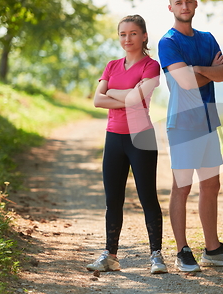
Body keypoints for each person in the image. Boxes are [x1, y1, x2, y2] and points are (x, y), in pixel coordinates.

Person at [158, 0, 223, 273]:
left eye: (189, 2)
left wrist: (198, 70)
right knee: (182, 187)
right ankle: (182, 251)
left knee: (211, 185)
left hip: (209, 122)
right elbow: (185, 83)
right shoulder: (167, 42)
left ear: (196, 5)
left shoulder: (208, 38)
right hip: (183, 124)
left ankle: (212, 249)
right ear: (170, 8)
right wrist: (210, 72)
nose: (185, 6)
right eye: (179, 2)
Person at [87, 15, 167, 274]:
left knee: (147, 197)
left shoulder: (151, 66)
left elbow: (136, 97)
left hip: (140, 136)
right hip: (114, 137)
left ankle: (156, 256)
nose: (127, 39)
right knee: (113, 200)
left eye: (133, 33)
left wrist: (112, 92)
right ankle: (110, 256)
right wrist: (128, 97)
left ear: (144, 36)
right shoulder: (111, 66)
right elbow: (97, 101)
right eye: (123, 34)